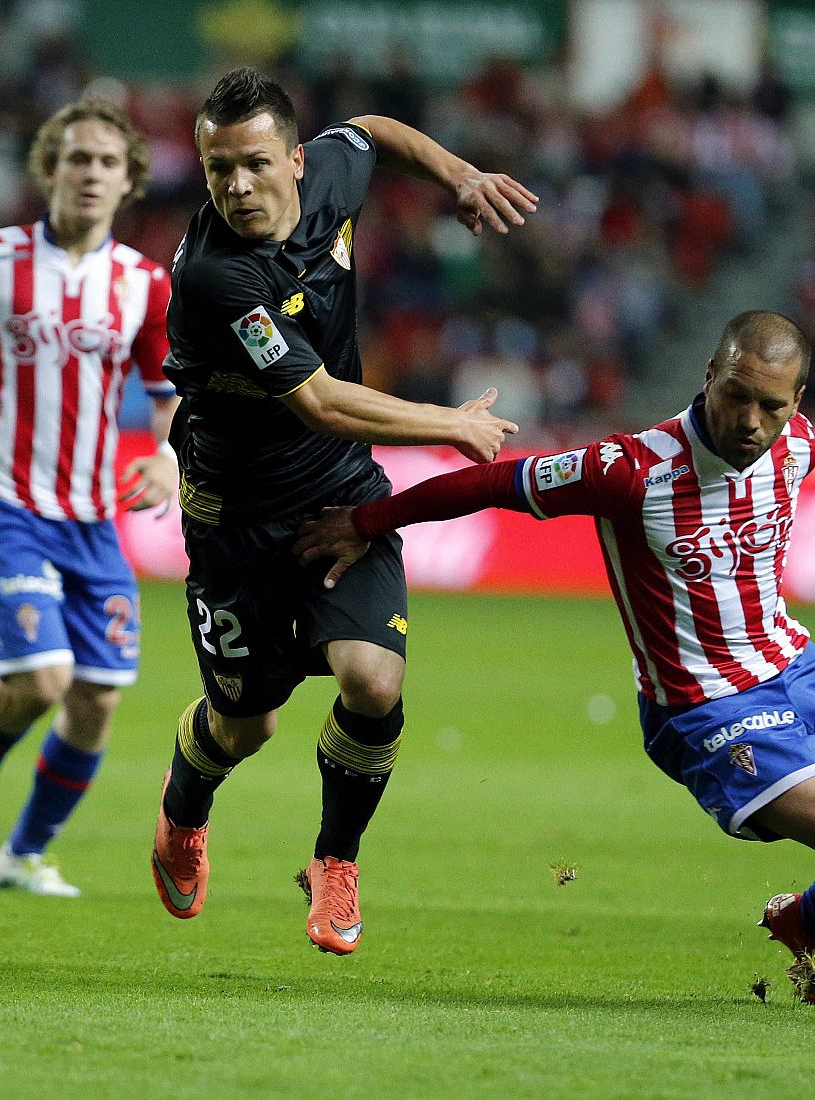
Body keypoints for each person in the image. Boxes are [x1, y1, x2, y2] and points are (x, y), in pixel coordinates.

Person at [294, 310, 815, 1032]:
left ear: (797, 404)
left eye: (774, 406)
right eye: (738, 397)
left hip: (796, 663)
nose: (753, 421)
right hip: (704, 707)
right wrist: (368, 520)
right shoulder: (628, 470)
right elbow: (490, 482)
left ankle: (813, 922)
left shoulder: (801, 446)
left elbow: (772, 484)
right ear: (708, 376)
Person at [150, 67, 536, 954]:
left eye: (252, 164)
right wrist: (447, 422)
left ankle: (334, 862)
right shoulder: (217, 275)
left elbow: (372, 126)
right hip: (237, 521)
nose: (236, 187)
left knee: (373, 679)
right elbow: (319, 400)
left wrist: (459, 176)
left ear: (294, 158)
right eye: (217, 171)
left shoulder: (332, 168)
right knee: (246, 726)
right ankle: (182, 812)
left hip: (339, 490)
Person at [0, 96, 180, 898]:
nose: (92, 173)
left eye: (108, 162)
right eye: (78, 158)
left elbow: (167, 388)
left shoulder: (146, 286)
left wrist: (165, 455)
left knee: (97, 700)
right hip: (4, 499)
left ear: (129, 183)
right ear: (49, 169)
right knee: (44, 680)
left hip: (93, 518)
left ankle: (25, 853)